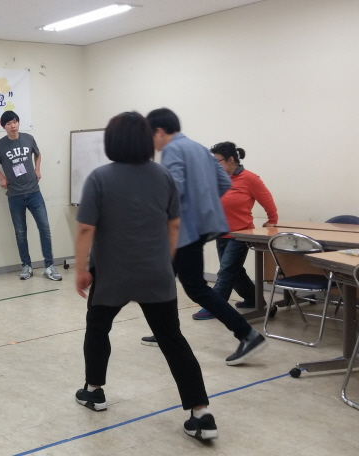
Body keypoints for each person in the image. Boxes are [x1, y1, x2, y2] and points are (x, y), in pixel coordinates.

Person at [74, 112, 217, 441]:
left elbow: (85, 229)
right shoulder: (163, 176)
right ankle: (201, 414)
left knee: (98, 329)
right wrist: (164, 262)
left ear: (112, 141)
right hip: (156, 274)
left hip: (111, 275)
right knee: (172, 339)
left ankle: (94, 391)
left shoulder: (99, 178)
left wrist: (81, 269)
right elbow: (174, 225)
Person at [140, 108, 267, 366]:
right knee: (167, 279)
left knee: (194, 287)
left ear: (159, 131)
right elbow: (224, 183)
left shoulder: (172, 150)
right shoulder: (198, 148)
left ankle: (247, 334)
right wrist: (202, 209)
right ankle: (167, 331)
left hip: (181, 231)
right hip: (196, 228)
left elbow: (173, 189)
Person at [0, 111, 61, 281]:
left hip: (34, 192)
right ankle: (26, 266)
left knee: (44, 228)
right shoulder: (0, 145)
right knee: (20, 232)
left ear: (18, 123)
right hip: (15, 195)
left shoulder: (28, 139)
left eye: (15, 122)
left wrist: (37, 169)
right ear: (4, 127)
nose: (13, 126)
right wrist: (2, 178)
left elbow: (38, 154)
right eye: (9, 123)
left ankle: (49, 266)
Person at [210, 141, 278, 312]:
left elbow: (267, 200)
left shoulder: (249, 179)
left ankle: (215, 307)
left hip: (240, 234)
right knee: (235, 271)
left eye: (217, 161)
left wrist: (272, 219)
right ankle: (254, 299)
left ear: (230, 159)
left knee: (226, 272)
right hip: (220, 233)